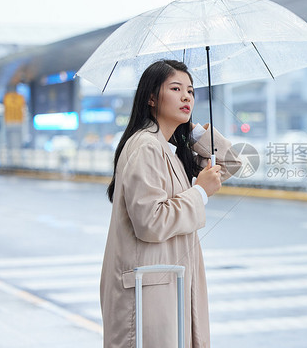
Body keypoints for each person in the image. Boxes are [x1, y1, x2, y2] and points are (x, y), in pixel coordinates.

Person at [100, 59, 241, 348]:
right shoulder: (146, 147)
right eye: (175, 88)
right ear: (151, 97)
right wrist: (199, 192)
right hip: (150, 294)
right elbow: (151, 221)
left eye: (190, 91)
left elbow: (230, 163)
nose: (186, 96)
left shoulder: (169, 149)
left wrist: (194, 133)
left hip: (169, 288)